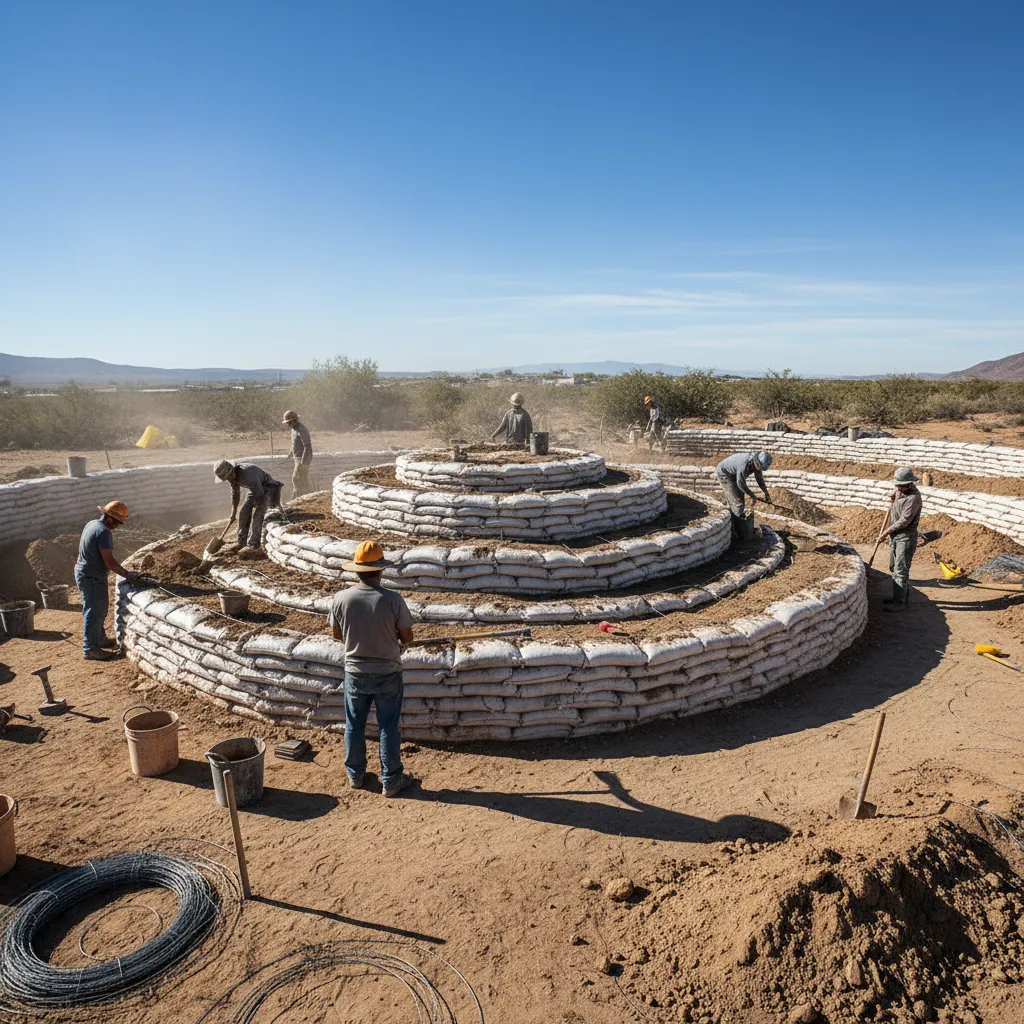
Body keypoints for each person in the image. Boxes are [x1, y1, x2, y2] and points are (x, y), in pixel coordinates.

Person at [327, 541, 417, 797]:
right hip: (388, 671)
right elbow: (408, 637)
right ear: (380, 570)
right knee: (388, 725)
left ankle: (355, 775)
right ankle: (391, 779)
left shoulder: (341, 598)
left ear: (357, 570)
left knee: (354, 723)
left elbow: (336, 634)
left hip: (355, 672)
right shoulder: (393, 600)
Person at [74, 501, 138, 661]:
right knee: (94, 611)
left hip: (83, 572)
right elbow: (109, 562)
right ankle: (90, 648)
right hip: (92, 576)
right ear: (110, 519)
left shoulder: (92, 524)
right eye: (117, 523)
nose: (117, 527)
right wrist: (128, 574)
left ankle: (99, 639)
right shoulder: (103, 533)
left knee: (96, 608)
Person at [213, 460, 283, 551]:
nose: (229, 479)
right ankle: (241, 541)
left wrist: (255, 505)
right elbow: (235, 494)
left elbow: (260, 494)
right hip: (255, 488)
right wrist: (233, 513)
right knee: (243, 512)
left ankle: (253, 544)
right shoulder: (231, 477)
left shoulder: (247, 474)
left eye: (229, 476)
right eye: (227, 478)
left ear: (233, 470)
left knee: (258, 515)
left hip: (269, 487)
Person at [886, 467, 923, 610]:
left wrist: (885, 532)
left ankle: (899, 603)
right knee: (893, 566)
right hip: (895, 535)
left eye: (902, 486)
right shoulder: (900, 492)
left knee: (900, 569)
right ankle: (901, 595)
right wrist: (893, 497)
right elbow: (896, 495)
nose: (899, 488)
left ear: (910, 484)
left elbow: (904, 521)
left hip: (905, 537)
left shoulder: (913, 498)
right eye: (898, 486)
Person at [714, 451, 773, 519]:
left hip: (734, 473)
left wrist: (766, 493)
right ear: (756, 462)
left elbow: (759, 479)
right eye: (760, 468)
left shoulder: (756, 462)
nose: (759, 470)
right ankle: (737, 524)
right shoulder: (744, 466)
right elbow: (741, 484)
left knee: (740, 498)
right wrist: (752, 495)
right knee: (737, 502)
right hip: (724, 473)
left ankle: (735, 515)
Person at [282, 409, 313, 498]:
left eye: (289, 422)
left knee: (296, 478)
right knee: (302, 480)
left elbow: (307, 446)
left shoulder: (302, 430)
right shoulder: (294, 429)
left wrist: (303, 462)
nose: (288, 424)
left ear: (295, 420)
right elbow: (294, 443)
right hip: (297, 458)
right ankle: (308, 496)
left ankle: (296, 498)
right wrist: (290, 454)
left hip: (303, 458)